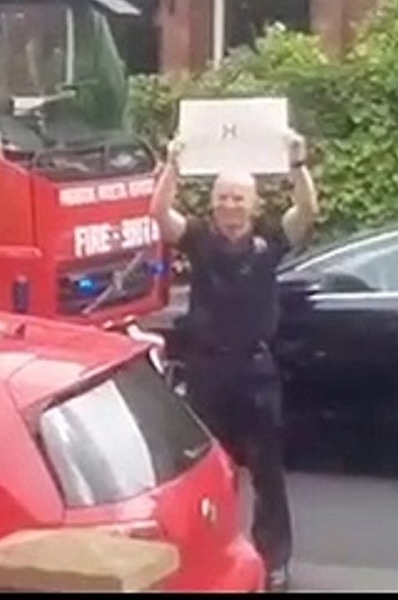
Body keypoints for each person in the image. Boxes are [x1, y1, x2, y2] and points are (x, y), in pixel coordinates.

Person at [150, 130, 318, 593]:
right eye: (223, 198)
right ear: (214, 203)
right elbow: (159, 215)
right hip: (208, 373)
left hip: (255, 372)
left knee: (267, 473)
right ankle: (208, 554)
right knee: (205, 472)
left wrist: (298, 164)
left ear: (254, 204)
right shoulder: (200, 239)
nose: (230, 206)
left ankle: (274, 561)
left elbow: (307, 212)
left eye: (238, 198)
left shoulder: (270, 240)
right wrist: (172, 166)